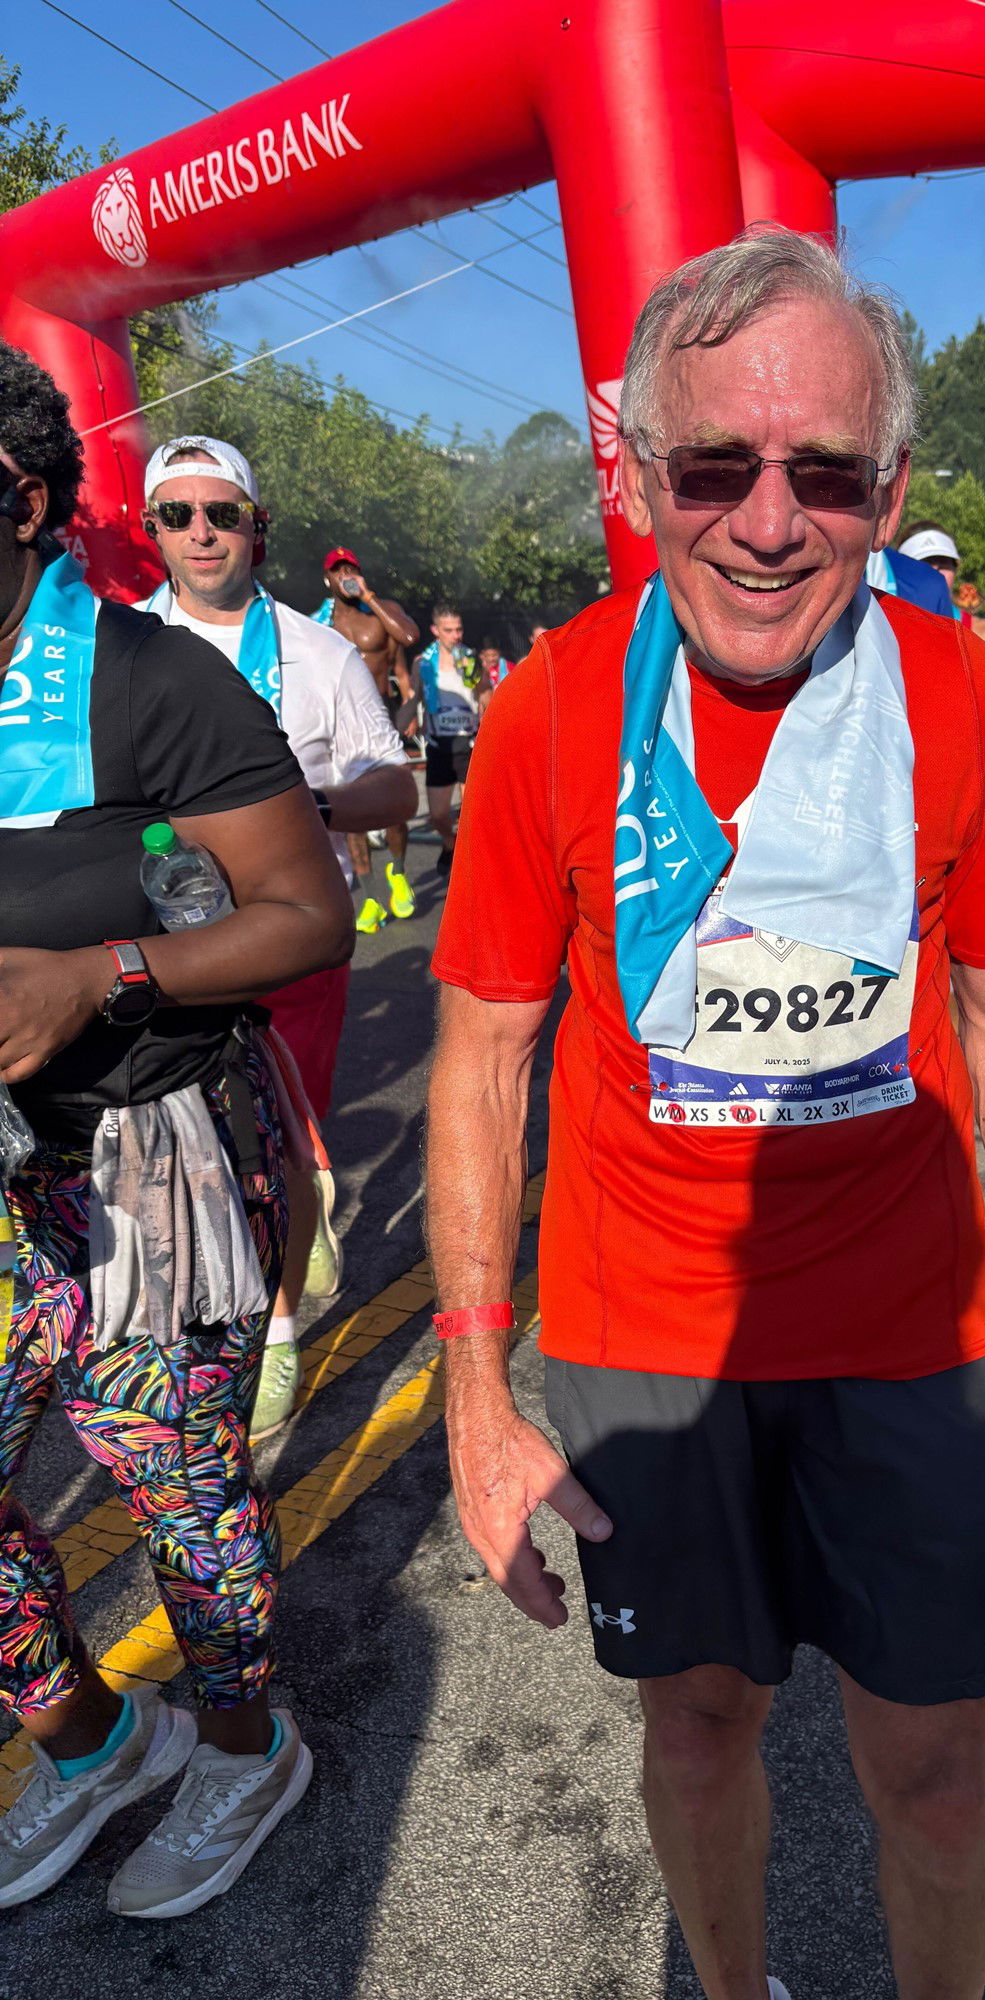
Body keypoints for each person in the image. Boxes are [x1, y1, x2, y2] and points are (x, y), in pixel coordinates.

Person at [427, 227, 985, 2000]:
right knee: (697, 1727)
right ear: (634, 473)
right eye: (715, 468)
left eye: (824, 473)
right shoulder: (549, 708)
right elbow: (482, 1058)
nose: (769, 523)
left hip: (910, 1329)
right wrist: (474, 1390)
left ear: (889, 490)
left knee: (937, 1764)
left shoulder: (960, 689)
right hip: (646, 1337)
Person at [0, 345, 352, 1914]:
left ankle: (244, 1746)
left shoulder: (151, 679)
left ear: (22, 502)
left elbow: (308, 914)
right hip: (6, 1173)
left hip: (154, 1157)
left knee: (179, 1491)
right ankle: (89, 1745)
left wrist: (102, 973)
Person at [137, 438, 417, 1440]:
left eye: (222, 512)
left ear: (256, 526)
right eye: (178, 514)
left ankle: (284, 1323)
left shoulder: (320, 651)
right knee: (174, 1149)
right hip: (162, 942)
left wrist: (303, 809)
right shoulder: (117, 648)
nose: (202, 532)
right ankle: (202, 1315)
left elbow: (396, 787)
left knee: (280, 1145)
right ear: (151, 529)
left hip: (290, 937)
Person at [319, 549, 422, 932]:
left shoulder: (380, 611)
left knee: (392, 808)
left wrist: (368, 596)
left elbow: (409, 636)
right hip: (339, 726)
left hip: (380, 722)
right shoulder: (318, 626)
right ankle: (371, 900)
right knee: (351, 817)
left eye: (351, 568)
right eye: (338, 570)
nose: (345, 574)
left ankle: (398, 871)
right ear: (327, 579)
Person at [415, 603, 483, 879]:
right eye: (449, 630)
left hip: (468, 743)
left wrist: (475, 676)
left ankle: (469, 865)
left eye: (459, 629)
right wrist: (404, 719)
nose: (456, 635)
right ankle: (449, 843)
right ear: (435, 630)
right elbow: (415, 697)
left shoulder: (471, 658)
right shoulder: (423, 662)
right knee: (439, 816)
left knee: (471, 815)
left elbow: (487, 696)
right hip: (439, 745)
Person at [896, 522, 985, 649]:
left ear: (955, 569)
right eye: (924, 564)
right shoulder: (884, 629)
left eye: (943, 563)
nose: (934, 572)